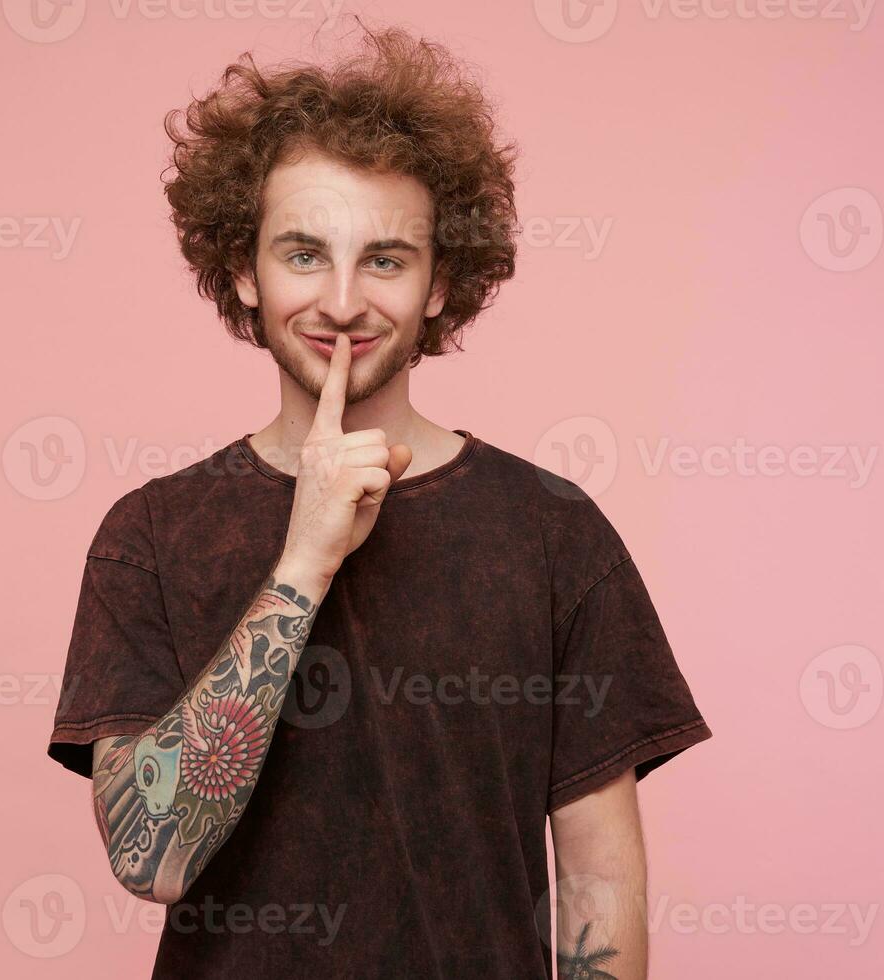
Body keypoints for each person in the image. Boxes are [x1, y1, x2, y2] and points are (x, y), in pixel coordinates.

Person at [47, 22, 712, 979]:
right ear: (244, 270)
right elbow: (150, 856)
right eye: (304, 254)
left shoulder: (554, 533)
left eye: (388, 260)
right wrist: (303, 562)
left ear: (442, 283)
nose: (345, 302)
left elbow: (599, 875)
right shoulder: (149, 537)